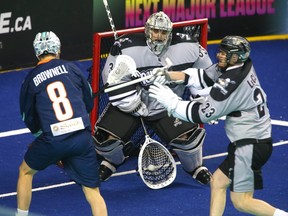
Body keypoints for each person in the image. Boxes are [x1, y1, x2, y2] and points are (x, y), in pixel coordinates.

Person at [148, 35, 288, 216]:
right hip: (251, 142)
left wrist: (171, 103)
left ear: (236, 57)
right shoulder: (239, 66)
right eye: (220, 51)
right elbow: (204, 76)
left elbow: (201, 114)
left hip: (250, 146)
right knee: (218, 183)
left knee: (242, 202)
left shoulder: (230, 86)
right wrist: (167, 75)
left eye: (224, 53)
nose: (219, 55)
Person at [93, 11, 213, 185]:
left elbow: (205, 74)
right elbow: (111, 80)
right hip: (133, 104)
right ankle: (113, 161)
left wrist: (203, 98)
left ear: (170, 33)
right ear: (147, 30)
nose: (158, 36)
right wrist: (130, 104)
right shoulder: (126, 48)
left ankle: (195, 168)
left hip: (167, 106)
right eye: (155, 31)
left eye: (163, 32)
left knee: (190, 141)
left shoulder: (190, 47)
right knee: (103, 140)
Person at [16, 31, 107, 216]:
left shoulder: (30, 80)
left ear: (37, 52)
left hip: (53, 141)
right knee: (93, 192)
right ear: (57, 49)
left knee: (25, 172)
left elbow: (28, 116)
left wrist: (40, 136)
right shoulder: (72, 68)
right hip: (82, 138)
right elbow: (88, 101)